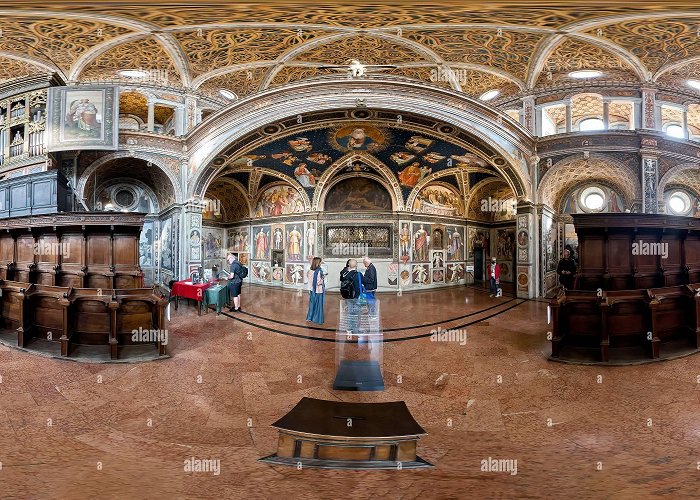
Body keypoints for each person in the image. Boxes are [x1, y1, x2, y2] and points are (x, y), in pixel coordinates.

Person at [306, 257, 325, 324]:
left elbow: (309, 281)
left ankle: (309, 317)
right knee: (318, 305)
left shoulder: (310, 271)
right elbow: (319, 282)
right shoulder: (319, 271)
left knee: (312, 304)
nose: (320, 263)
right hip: (318, 290)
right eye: (320, 262)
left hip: (311, 290)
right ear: (318, 263)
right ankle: (317, 319)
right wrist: (323, 277)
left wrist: (309, 289)